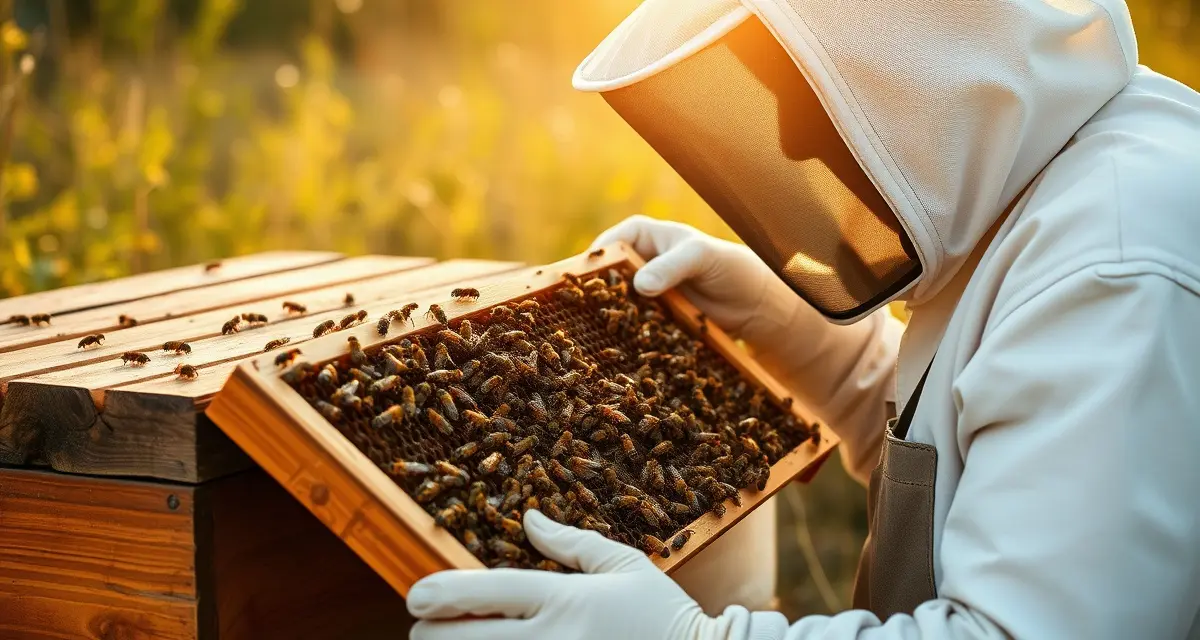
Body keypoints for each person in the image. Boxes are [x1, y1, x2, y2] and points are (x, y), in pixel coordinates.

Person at [406, 0, 1200, 637]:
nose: (787, 135)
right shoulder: (1046, 183)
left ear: (902, 55)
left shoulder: (1122, 266)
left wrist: (694, 637)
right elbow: (978, 456)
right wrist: (801, 334)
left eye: (801, 90)